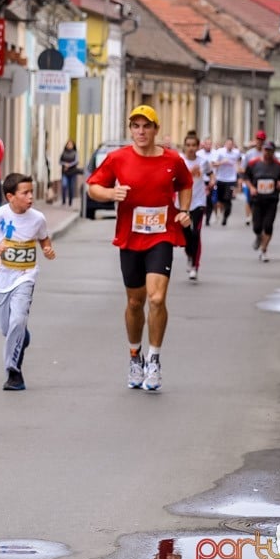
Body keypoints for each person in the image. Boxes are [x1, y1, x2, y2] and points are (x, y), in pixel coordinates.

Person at [86, 104, 192, 391]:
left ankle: (154, 359)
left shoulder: (172, 159)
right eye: (136, 126)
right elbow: (92, 186)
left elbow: (185, 183)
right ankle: (136, 356)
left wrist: (184, 210)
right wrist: (110, 193)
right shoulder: (117, 158)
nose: (141, 131)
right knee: (135, 302)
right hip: (131, 237)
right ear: (130, 129)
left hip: (162, 235)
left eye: (147, 126)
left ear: (156, 129)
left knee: (157, 299)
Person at [0, 173, 55, 390]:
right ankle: (20, 336)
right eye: (25, 193)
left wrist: (46, 248)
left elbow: (43, 236)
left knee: (17, 321)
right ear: (10, 197)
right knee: (7, 328)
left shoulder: (38, 218)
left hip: (25, 277)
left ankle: (13, 372)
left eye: (31, 192)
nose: (30, 197)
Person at [245, 140, 280, 262]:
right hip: (257, 199)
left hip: (271, 199)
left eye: (270, 150)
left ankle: (264, 250)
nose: (267, 153)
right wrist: (251, 187)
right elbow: (246, 177)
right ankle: (258, 236)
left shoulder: (278, 166)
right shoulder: (254, 163)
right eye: (265, 150)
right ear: (262, 150)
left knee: (268, 226)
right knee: (257, 226)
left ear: (273, 152)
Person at [181, 133, 210, 281]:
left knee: (196, 234)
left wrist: (212, 181)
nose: (191, 148)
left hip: (198, 202)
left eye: (194, 145)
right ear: (184, 146)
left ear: (198, 147)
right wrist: (188, 174)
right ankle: (190, 255)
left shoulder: (203, 161)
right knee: (186, 235)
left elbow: (210, 174)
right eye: (188, 145)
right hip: (182, 204)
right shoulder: (179, 161)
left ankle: (195, 266)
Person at [210, 137, 241, 226]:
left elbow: (239, 160)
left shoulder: (236, 152)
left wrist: (238, 167)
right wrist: (221, 162)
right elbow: (213, 164)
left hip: (231, 179)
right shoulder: (220, 152)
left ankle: (225, 216)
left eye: (231, 144)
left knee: (228, 199)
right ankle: (221, 212)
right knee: (220, 199)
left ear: (233, 145)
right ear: (225, 144)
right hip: (220, 179)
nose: (229, 146)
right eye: (228, 144)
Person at [241, 130, 267, 226]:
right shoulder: (249, 154)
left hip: (263, 180)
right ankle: (249, 216)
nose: (260, 141)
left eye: (262, 139)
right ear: (256, 140)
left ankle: (259, 215)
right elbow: (243, 168)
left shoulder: (266, 152)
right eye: (258, 139)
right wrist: (243, 178)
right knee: (249, 199)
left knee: (261, 200)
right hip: (251, 180)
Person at [196, 136, 216, 226]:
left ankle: (208, 218)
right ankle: (199, 215)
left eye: (209, 144)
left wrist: (213, 180)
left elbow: (213, 168)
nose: (208, 145)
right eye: (206, 144)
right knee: (201, 200)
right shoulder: (198, 154)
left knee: (209, 200)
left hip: (210, 181)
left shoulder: (215, 153)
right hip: (200, 181)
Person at [58, 139, 80, 207]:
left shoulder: (75, 153)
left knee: (71, 187)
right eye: (68, 144)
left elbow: (76, 161)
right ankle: (64, 200)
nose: (69, 145)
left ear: (73, 146)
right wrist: (65, 164)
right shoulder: (63, 153)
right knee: (64, 185)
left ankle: (70, 201)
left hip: (72, 172)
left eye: (71, 144)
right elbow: (60, 161)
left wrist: (69, 165)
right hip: (65, 172)